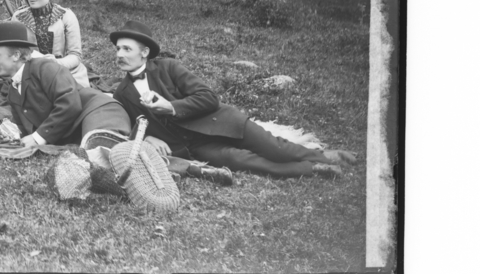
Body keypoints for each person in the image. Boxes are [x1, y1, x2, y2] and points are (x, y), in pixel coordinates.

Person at [109, 20, 357, 178]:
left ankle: (326, 156)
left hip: (221, 122)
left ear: (145, 52)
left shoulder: (168, 67)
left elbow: (209, 98)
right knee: (241, 161)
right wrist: (147, 137)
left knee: (276, 148)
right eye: (118, 49)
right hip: (195, 145)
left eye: (126, 49)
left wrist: (172, 107)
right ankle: (313, 169)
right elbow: (127, 127)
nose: (119, 54)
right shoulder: (122, 92)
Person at [0, 21, 130, 146]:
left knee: (99, 147)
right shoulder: (13, 90)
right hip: (74, 132)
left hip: (99, 111)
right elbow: (23, 126)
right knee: (88, 151)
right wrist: (10, 133)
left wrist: (37, 138)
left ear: (16, 55)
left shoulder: (44, 68)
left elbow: (70, 104)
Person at [10, 0, 89, 86]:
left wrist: (56, 62)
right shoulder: (18, 18)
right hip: (31, 75)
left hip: (64, 74)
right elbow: (14, 53)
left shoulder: (66, 16)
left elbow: (75, 55)